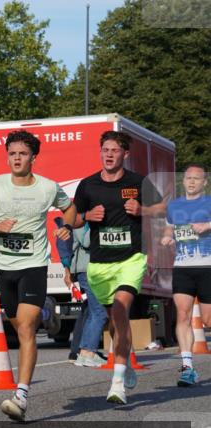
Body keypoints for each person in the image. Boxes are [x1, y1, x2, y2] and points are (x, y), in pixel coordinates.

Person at [0, 130, 75, 421]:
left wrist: (67, 225)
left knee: (25, 329)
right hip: (4, 267)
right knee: (18, 323)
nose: (17, 158)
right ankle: (45, 312)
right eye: (12, 153)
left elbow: (70, 208)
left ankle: (22, 395)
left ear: (33, 158)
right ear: (7, 156)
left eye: (23, 153)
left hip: (34, 263)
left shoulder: (48, 188)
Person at [72, 130, 166, 404]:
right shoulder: (88, 185)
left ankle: (116, 385)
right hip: (100, 264)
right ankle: (124, 366)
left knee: (122, 309)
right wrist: (87, 216)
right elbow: (73, 219)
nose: (109, 155)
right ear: (100, 153)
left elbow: (163, 208)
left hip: (130, 260)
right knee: (115, 323)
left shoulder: (138, 182)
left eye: (114, 150)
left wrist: (143, 210)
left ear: (125, 154)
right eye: (105, 150)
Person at [160, 162, 211, 387]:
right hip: (182, 266)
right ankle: (187, 368)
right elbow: (169, 229)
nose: (191, 181)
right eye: (188, 178)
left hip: (207, 266)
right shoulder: (174, 206)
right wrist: (166, 238)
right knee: (182, 315)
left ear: (204, 182)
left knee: (208, 320)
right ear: (183, 181)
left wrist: (208, 225)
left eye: (196, 178)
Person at [57, 221, 107, 367]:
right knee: (99, 311)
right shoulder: (80, 221)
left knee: (90, 310)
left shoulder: (82, 219)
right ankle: (88, 352)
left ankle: (82, 353)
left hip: (89, 269)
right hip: (87, 269)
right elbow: (86, 241)